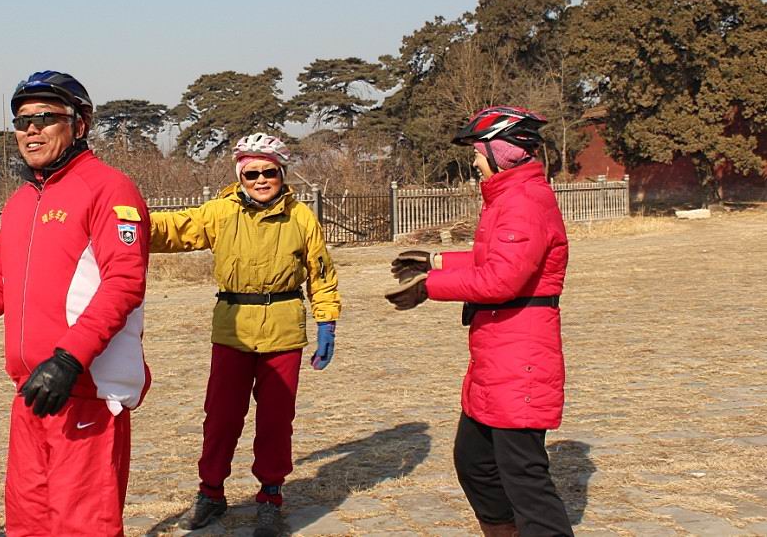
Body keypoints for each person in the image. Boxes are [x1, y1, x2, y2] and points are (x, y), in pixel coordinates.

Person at [0, 70, 150, 537]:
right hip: (32, 393)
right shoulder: (21, 202)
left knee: (83, 527)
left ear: (79, 125)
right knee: (27, 524)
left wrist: (68, 359)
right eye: (21, 122)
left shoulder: (108, 188)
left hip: (84, 391)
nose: (31, 130)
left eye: (45, 118)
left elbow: (124, 283)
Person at [387, 106, 573, 537]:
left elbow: (503, 278)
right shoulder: (508, 196)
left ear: (501, 152)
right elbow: (496, 258)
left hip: (521, 353)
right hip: (498, 350)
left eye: (477, 151)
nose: (474, 160)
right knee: (475, 463)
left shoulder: (524, 201)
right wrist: (433, 259)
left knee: (525, 478)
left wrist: (429, 286)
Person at [149, 132, 341, 537]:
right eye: (251, 173)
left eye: (268, 172)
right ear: (240, 175)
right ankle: (211, 493)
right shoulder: (221, 212)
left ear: (281, 174)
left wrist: (327, 321)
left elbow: (321, 274)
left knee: (276, 421)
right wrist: (124, 218)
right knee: (220, 417)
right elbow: (173, 228)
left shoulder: (302, 218)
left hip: (284, 328)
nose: (260, 180)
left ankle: (270, 497)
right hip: (233, 327)